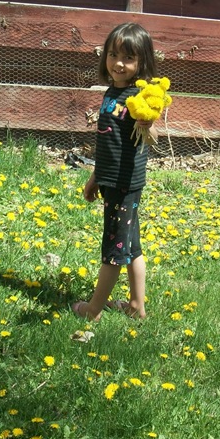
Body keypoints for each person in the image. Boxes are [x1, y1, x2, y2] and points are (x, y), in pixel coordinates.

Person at [72, 22, 158, 321]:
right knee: (131, 246)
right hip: (112, 180)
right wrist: (96, 176)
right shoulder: (112, 93)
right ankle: (136, 307)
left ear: (142, 62)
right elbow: (109, 143)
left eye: (128, 58)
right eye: (113, 55)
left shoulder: (139, 97)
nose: (118, 63)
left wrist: (148, 123)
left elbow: (149, 129)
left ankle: (93, 310)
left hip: (124, 184)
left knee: (113, 250)